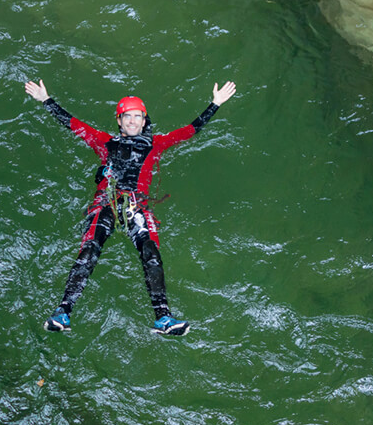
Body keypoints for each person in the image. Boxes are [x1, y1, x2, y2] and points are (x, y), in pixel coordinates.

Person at [24, 78, 237, 335]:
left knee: (151, 252)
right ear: (119, 120)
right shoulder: (104, 142)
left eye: (138, 117)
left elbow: (190, 130)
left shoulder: (156, 144)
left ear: (145, 120)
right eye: (127, 116)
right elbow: (74, 125)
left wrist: (215, 104)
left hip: (137, 206)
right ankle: (63, 312)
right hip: (106, 202)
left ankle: (163, 318)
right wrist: (46, 100)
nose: (133, 121)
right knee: (90, 249)